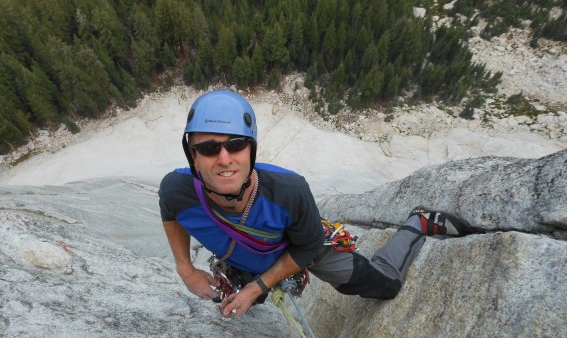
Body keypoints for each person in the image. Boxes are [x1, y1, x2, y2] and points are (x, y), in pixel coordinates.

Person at [158, 90, 468, 320]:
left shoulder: (289, 191)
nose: (224, 159)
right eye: (209, 148)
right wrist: (186, 270)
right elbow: (170, 212)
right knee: (253, 289)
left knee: (383, 285)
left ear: (251, 150)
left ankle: (418, 222)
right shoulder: (177, 189)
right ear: (193, 157)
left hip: (301, 244)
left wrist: (258, 287)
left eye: (236, 145)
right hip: (247, 258)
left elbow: (306, 249)